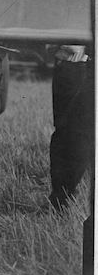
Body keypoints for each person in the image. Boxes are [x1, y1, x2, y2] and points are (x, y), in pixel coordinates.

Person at [47, 44, 94, 211]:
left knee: (78, 135)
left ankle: (60, 200)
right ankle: (60, 199)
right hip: (73, 66)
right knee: (71, 134)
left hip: (79, 65)